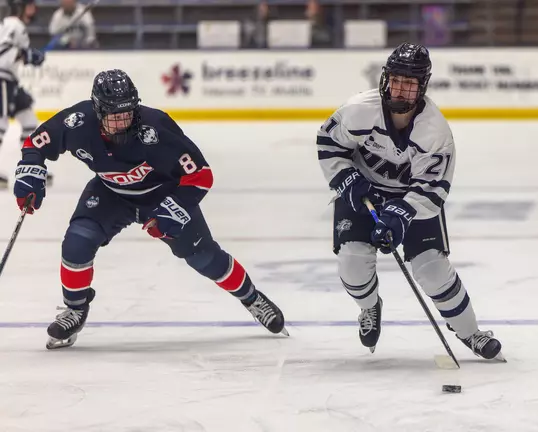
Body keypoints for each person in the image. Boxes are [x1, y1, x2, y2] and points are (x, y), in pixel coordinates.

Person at [13, 69, 288, 349]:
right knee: (77, 242)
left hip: (163, 196)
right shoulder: (77, 121)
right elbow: (36, 143)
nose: (123, 122)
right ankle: (75, 309)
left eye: (127, 113)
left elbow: (201, 175)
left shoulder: (156, 128)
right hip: (110, 193)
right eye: (114, 116)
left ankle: (252, 298)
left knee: (204, 257)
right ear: (98, 111)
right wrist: (30, 172)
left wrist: (173, 210)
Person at [316, 42, 504, 361]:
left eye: (410, 83)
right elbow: (329, 143)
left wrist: (400, 214)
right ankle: (369, 307)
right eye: (396, 80)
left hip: (412, 199)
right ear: (386, 79)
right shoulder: (359, 109)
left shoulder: (434, 131)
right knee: (352, 263)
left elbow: (432, 189)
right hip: (363, 192)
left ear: (422, 87)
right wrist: (347, 178)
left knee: (432, 269)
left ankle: (471, 332)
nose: (401, 89)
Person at [0, 0, 46, 188]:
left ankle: (31, 165)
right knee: (1, 124)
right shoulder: (14, 24)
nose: (33, 8)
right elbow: (3, 51)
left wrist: (28, 55)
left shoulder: (12, 25)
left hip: (10, 80)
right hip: (2, 79)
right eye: (29, 5)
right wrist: (27, 55)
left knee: (28, 121)